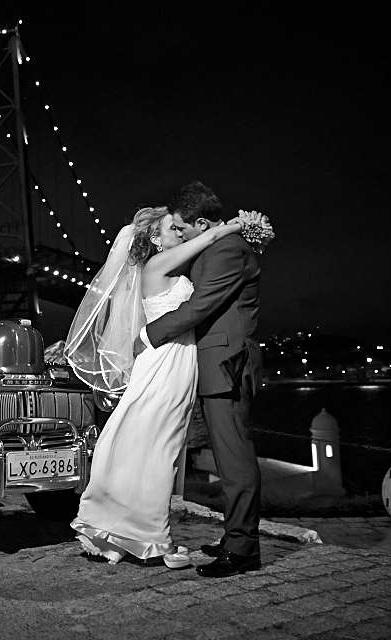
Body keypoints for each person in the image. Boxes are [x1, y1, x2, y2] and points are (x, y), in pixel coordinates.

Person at [64, 205, 244, 567]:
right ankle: (154, 540)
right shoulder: (157, 265)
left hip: (173, 361)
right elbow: (210, 235)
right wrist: (239, 225)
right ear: (156, 239)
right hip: (166, 363)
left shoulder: (163, 266)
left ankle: (119, 533)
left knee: (148, 445)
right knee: (160, 448)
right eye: (172, 229)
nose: (179, 232)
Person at [138, 181, 263, 578]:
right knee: (229, 458)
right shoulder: (215, 245)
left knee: (235, 459)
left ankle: (243, 550)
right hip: (213, 364)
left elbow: (200, 305)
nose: (179, 234)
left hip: (227, 363)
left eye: (182, 227)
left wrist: (149, 335)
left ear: (203, 224)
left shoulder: (226, 249)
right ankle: (235, 537)